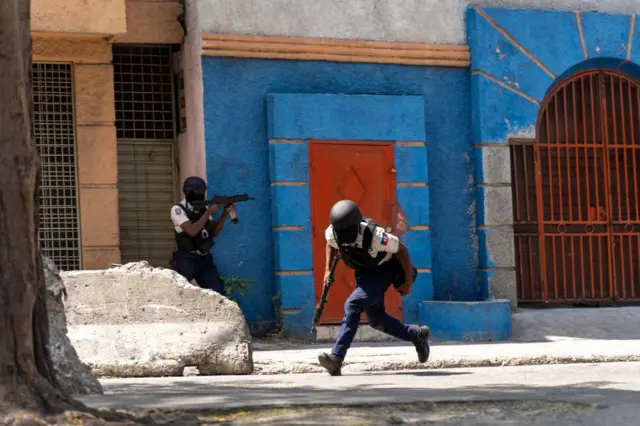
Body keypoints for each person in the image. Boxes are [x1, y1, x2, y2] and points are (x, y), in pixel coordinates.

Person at [318, 199, 431, 376]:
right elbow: (330, 244)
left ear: (356, 225)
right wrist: (327, 270)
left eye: (347, 230)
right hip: (364, 272)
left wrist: (407, 282)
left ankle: (336, 358)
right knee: (376, 320)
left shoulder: (375, 235)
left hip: (383, 270)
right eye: (340, 231)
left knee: (353, 305)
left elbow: (402, 251)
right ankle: (416, 335)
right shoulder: (334, 232)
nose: (342, 234)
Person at [169, 176, 231, 295]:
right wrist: (208, 213)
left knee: (217, 293)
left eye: (203, 192)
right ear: (188, 193)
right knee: (181, 294)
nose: (201, 195)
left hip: (204, 259)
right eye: (198, 192)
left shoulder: (203, 209)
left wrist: (224, 214)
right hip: (186, 259)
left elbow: (214, 232)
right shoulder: (178, 210)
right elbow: (191, 231)